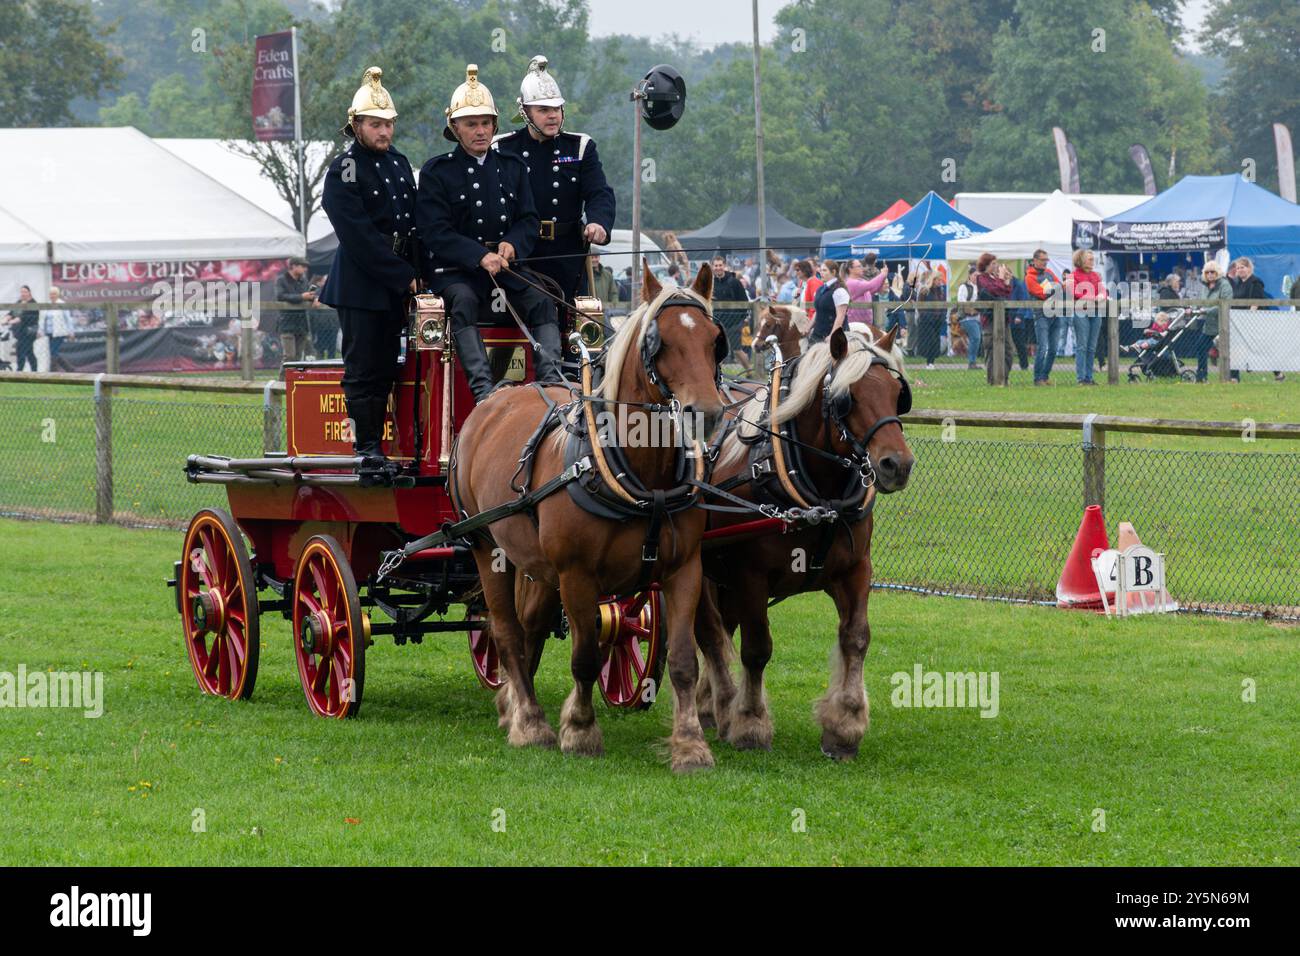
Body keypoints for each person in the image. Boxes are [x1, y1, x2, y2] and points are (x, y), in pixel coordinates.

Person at [417, 64, 565, 403]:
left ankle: (551, 384)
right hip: (457, 271)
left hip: (507, 266)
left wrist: (512, 244)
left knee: (543, 301)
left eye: (486, 123)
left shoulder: (512, 167)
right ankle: (484, 392)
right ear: (455, 128)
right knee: (465, 301)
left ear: (495, 125)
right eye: (471, 124)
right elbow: (434, 231)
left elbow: (529, 219)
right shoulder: (437, 172)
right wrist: (478, 255)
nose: (480, 131)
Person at [318, 67, 421, 463]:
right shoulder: (344, 166)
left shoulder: (398, 162)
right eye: (376, 125)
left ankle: (403, 446)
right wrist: (403, 276)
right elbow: (356, 234)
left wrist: (419, 271)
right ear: (356, 125)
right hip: (361, 284)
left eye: (389, 124)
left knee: (400, 368)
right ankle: (367, 450)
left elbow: (412, 223)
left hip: (401, 279)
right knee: (366, 369)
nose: (384, 132)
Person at [493, 55, 615, 308]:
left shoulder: (581, 147)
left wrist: (598, 222)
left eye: (556, 108)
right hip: (519, 256)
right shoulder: (502, 149)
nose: (552, 116)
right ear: (524, 112)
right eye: (543, 110)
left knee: (575, 329)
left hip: (568, 254)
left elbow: (599, 193)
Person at [1231, 256, 1282, 380]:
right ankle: (1234, 378)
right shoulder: (1237, 283)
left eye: (1242, 267)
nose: (1240, 270)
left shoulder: (1256, 282)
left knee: (1263, 349)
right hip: (1239, 320)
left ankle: (1278, 373)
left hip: (1255, 320)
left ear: (1249, 268)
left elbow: (1256, 302)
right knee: (1235, 347)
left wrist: (1249, 318)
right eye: (1238, 268)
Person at [1066, 248, 1107, 386]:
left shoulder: (1096, 275)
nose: (1092, 261)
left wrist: (1100, 297)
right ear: (1081, 260)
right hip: (1081, 312)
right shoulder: (1073, 276)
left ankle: (1089, 377)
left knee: (1091, 347)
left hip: (1095, 312)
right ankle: (1081, 378)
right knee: (1082, 346)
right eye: (1090, 259)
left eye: (1092, 259)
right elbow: (1074, 292)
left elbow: (1103, 292)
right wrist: (1093, 297)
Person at [974, 252, 1014, 384]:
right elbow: (995, 290)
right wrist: (1002, 280)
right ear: (985, 265)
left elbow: (1005, 294)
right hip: (990, 321)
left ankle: (1004, 378)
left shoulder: (995, 278)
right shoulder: (982, 278)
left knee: (1008, 350)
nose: (996, 266)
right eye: (993, 263)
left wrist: (1006, 281)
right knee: (992, 352)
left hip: (1004, 319)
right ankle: (993, 381)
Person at [1026, 249, 1062, 385]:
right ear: (1035, 260)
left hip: (1055, 314)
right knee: (1043, 347)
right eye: (1043, 260)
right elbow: (1041, 293)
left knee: (1053, 349)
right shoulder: (1029, 277)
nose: (1045, 263)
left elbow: (1060, 286)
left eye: (1046, 260)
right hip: (1041, 315)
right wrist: (1054, 289)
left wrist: (1054, 289)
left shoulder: (1049, 272)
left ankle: (1045, 376)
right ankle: (1038, 378)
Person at [1195, 261, 1232, 382]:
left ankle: (1233, 377)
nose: (1210, 274)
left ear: (1218, 273)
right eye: (1207, 272)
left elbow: (1225, 304)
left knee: (1228, 351)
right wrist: (1198, 309)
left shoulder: (1224, 285)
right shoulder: (1205, 287)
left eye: (1212, 272)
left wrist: (1207, 311)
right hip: (1209, 325)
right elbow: (1203, 303)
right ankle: (1201, 376)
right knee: (1200, 347)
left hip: (1223, 325)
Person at [711, 253, 750, 368]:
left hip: (734, 323)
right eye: (716, 265)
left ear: (724, 266)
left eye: (720, 265)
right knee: (717, 350)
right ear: (712, 267)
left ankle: (749, 372)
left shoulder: (734, 282)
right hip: (716, 322)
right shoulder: (711, 283)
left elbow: (744, 302)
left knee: (737, 350)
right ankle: (718, 376)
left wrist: (739, 320)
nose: (718, 268)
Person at [275, 256, 315, 362]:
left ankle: (295, 379)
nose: (305, 269)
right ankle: (283, 379)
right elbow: (281, 296)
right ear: (293, 266)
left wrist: (314, 298)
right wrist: (301, 297)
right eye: (303, 266)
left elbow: (308, 295)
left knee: (297, 356)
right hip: (287, 323)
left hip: (302, 323)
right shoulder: (281, 280)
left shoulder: (304, 280)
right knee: (289, 356)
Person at [809, 259, 851, 344]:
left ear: (833, 272)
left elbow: (840, 316)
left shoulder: (839, 291)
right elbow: (818, 312)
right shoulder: (820, 289)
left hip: (835, 336)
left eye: (824, 270)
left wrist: (832, 335)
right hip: (818, 334)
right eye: (820, 270)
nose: (821, 273)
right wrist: (808, 328)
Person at [914, 271, 947, 367]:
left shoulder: (941, 291)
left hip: (937, 321)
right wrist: (927, 316)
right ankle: (929, 362)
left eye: (941, 280)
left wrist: (942, 317)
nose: (940, 282)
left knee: (935, 341)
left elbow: (944, 305)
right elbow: (920, 306)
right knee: (930, 340)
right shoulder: (925, 290)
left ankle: (931, 362)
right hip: (927, 322)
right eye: (938, 280)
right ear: (933, 279)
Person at [844, 258, 887, 327]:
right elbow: (871, 285)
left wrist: (884, 277)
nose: (862, 268)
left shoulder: (861, 281)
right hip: (856, 324)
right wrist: (882, 274)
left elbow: (875, 288)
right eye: (859, 266)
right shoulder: (851, 282)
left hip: (865, 323)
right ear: (850, 269)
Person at [955, 264, 982, 369]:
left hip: (978, 316)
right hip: (967, 317)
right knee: (976, 337)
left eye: (978, 276)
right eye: (975, 275)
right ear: (970, 275)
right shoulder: (964, 287)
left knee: (976, 339)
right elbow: (962, 303)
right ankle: (971, 362)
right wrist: (972, 309)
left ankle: (973, 361)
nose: (976, 278)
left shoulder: (979, 287)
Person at [8, 285, 40, 372]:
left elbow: (23, 318)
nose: (23, 293)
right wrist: (5, 319)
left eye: (25, 291)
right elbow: (11, 313)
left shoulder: (33, 304)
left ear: (29, 293)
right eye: (22, 292)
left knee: (21, 351)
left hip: (29, 332)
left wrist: (12, 321)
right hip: (20, 332)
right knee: (29, 352)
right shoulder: (19, 302)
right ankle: (34, 370)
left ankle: (19, 371)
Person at [41, 286, 74, 369]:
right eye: (51, 294)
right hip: (49, 332)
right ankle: (69, 368)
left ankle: (53, 370)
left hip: (59, 332)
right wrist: (40, 330)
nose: (52, 295)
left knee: (53, 351)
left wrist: (71, 332)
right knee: (53, 352)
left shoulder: (62, 304)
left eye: (54, 294)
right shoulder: (47, 304)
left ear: (58, 294)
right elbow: (42, 319)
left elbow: (68, 319)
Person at [796, 258, 822, 322]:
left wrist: (809, 322)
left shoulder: (814, 282)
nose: (796, 272)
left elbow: (815, 305)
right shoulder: (803, 282)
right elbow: (804, 303)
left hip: (811, 321)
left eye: (798, 270)